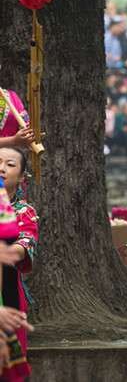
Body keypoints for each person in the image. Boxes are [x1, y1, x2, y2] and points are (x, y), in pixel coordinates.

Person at [0, 147, 38, 382]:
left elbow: (20, 250)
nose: (1, 167)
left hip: (8, 292)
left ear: (22, 177)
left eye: (10, 164)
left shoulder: (24, 212)